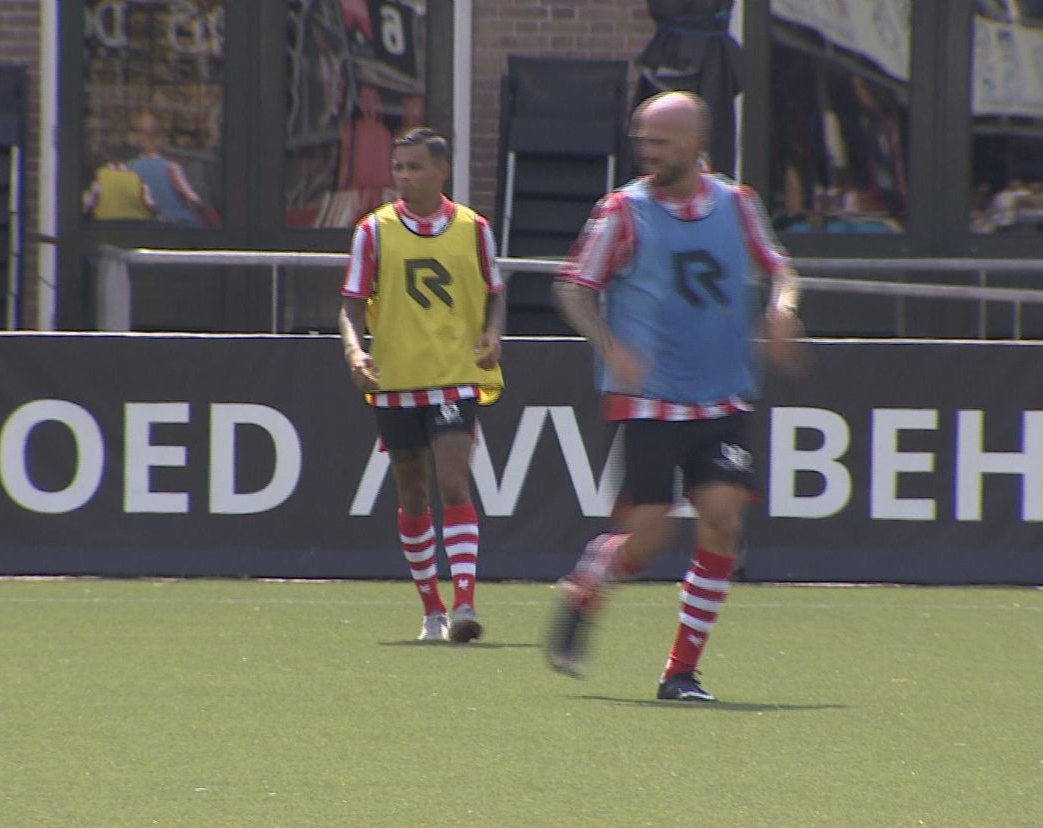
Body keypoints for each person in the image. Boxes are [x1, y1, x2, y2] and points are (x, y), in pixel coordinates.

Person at [544, 91, 805, 701]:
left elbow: (781, 267)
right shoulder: (622, 212)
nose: (647, 152)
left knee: (722, 521)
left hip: (724, 398)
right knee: (651, 537)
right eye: (643, 140)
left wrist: (781, 307)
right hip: (651, 402)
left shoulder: (738, 205)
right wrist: (609, 345)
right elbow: (574, 288)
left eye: (660, 142)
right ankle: (590, 581)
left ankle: (681, 672)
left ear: (694, 144)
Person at [338, 127, 506, 643]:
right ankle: (431, 608)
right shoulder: (373, 231)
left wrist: (493, 333)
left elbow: (495, 291)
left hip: (454, 377)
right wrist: (354, 348)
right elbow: (350, 303)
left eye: (414, 167)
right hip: (396, 381)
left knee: (453, 481)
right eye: (399, 168)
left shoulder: (474, 229)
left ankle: (464, 604)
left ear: (441, 171)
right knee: (413, 494)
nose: (404, 178)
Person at [126, 111, 207, 226]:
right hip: (181, 232)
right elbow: (194, 202)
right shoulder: (173, 168)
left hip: (146, 231)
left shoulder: (128, 170)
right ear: (159, 137)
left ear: (135, 137)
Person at [82, 144, 157, 221]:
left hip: (105, 224)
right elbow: (149, 203)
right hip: (135, 225)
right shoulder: (136, 176)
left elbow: (91, 202)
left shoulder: (101, 174)